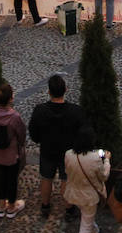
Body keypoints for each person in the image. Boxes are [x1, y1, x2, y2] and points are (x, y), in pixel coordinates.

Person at [28, 73, 86, 220]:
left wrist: (40, 140)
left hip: (48, 150)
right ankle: (68, 209)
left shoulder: (40, 110)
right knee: (66, 180)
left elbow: (33, 132)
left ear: (49, 92)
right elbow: (82, 133)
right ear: (65, 89)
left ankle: (45, 206)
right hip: (68, 152)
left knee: (46, 178)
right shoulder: (76, 111)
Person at [62, 125, 110, 233]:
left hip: (73, 193)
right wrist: (107, 160)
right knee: (85, 227)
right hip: (89, 197)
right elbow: (104, 176)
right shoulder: (95, 158)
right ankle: (93, 232)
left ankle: (96, 232)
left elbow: (67, 171)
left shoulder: (68, 154)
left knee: (87, 217)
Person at [0, 81, 27, 218]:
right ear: (11, 98)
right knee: (12, 180)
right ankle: (11, 207)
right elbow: (21, 133)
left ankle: (1, 205)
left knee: (1, 177)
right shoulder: (14, 116)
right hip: (11, 154)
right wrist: (21, 145)